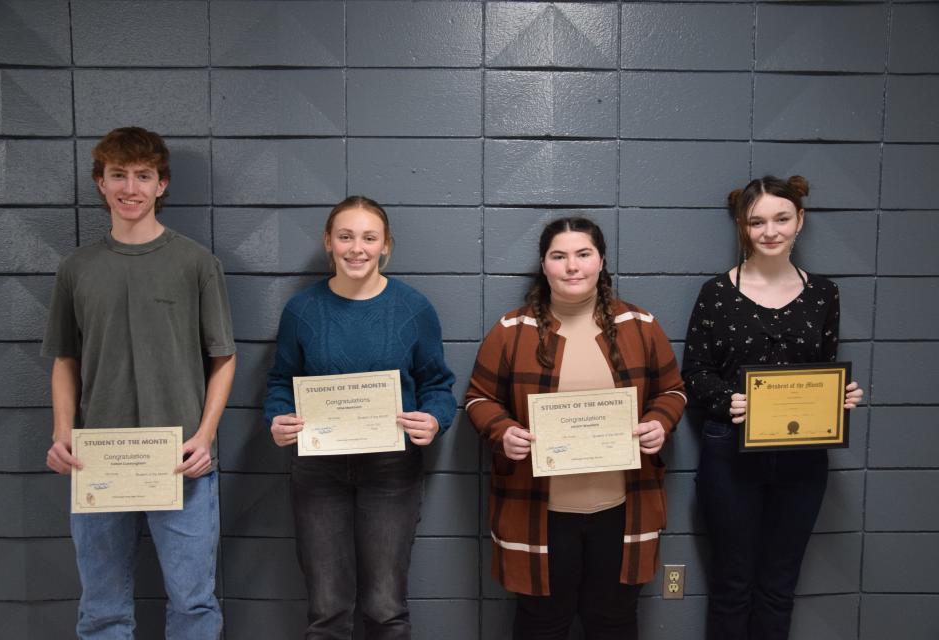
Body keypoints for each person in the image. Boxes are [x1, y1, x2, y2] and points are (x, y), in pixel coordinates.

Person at [41, 127, 237, 638]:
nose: (131, 188)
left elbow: (224, 358)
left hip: (180, 460)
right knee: (102, 609)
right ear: (101, 184)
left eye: (143, 176)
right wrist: (63, 432)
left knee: (193, 603)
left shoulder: (197, 263)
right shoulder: (76, 268)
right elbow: (64, 359)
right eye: (119, 176)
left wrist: (204, 436)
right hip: (97, 459)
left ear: (162, 185)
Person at [465, 216, 686, 640]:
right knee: (542, 624)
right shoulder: (513, 330)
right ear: (544, 265)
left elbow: (672, 390)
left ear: (601, 261)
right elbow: (478, 398)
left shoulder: (640, 326)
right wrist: (502, 431)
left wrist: (660, 422)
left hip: (621, 507)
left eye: (583, 254)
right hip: (541, 510)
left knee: (614, 622)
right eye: (559, 256)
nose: (572, 266)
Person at [264, 195, 456, 639]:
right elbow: (280, 382)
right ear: (328, 242)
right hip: (317, 469)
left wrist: (434, 419)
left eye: (369, 238)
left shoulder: (413, 308)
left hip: (392, 469)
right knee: (327, 609)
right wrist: (277, 419)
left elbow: (437, 384)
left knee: (385, 606)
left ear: (386, 245)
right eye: (345, 236)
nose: (357, 248)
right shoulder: (302, 310)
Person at [681, 175, 864, 640]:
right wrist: (729, 400)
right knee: (731, 585)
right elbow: (695, 373)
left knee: (780, 587)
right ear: (743, 227)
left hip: (802, 455)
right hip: (730, 454)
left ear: (799, 220)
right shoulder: (717, 292)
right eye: (757, 221)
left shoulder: (824, 293)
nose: (770, 231)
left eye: (781, 218)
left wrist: (840, 397)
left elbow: (822, 367)